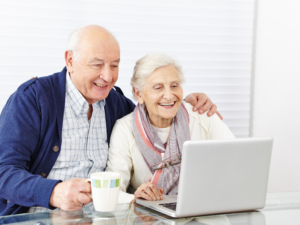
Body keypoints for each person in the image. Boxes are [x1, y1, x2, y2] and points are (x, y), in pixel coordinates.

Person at [0, 25, 220, 216]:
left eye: (114, 65)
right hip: (38, 217)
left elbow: (151, 112)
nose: (107, 76)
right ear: (70, 60)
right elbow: (4, 171)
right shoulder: (33, 99)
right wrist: (53, 192)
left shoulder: (116, 104)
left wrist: (187, 104)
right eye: (97, 65)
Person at [106, 53, 235, 203]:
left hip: (206, 207)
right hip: (149, 217)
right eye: (158, 87)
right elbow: (112, 191)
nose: (169, 95)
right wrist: (136, 198)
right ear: (138, 93)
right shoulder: (124, 129)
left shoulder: (203, 115)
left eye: (174, 86)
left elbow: (236, 163)